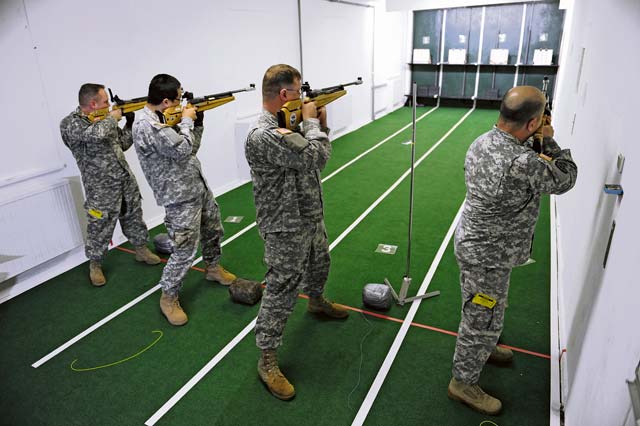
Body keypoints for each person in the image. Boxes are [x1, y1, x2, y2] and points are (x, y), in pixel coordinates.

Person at [448, 86, 578, 415]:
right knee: (481, 316)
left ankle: (485, 347)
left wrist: (536, 137)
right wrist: (549, 141)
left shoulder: (483, 142)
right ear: (532, 122)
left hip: (478, 245)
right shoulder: (522, 161)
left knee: (486, 309)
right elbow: (566, 179)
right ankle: (462, 381)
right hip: (489, 255)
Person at [245, 64, 349, 401]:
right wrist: (313, 123)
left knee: (321, 262)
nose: (303, 97)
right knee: (281, 288)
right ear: (285, 95)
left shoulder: (286, 124)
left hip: (309, 214)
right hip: (284, 225)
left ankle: (317, 301)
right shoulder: (264, 136)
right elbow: (316, 157)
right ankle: (267, 359)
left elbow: (308, 150)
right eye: (299, 92)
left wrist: (316, 122)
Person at [132, 73, 246, 326]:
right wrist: (186, 121)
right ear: (164, 101)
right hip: (178, 197)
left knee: (213, 228)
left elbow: (190, 149)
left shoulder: (165, 118)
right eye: (178, 100)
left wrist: (198, 123)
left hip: (196, 185)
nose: (181, 104)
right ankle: (168, 297)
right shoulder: (147, 126)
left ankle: (213, 268)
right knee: (183, 249)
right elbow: (181, 149)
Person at [60, 84, 160, 287]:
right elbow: (94, 135)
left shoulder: (104, 119)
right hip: (100, 188)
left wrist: (129, 124)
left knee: (134, 216)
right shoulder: (70, 123)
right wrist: (113, 116)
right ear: (92, 103)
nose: (109, 105)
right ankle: (95, 264)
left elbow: (121, 143)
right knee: (99, 227)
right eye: (105, 101)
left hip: (124, 180)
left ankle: (141, 249)